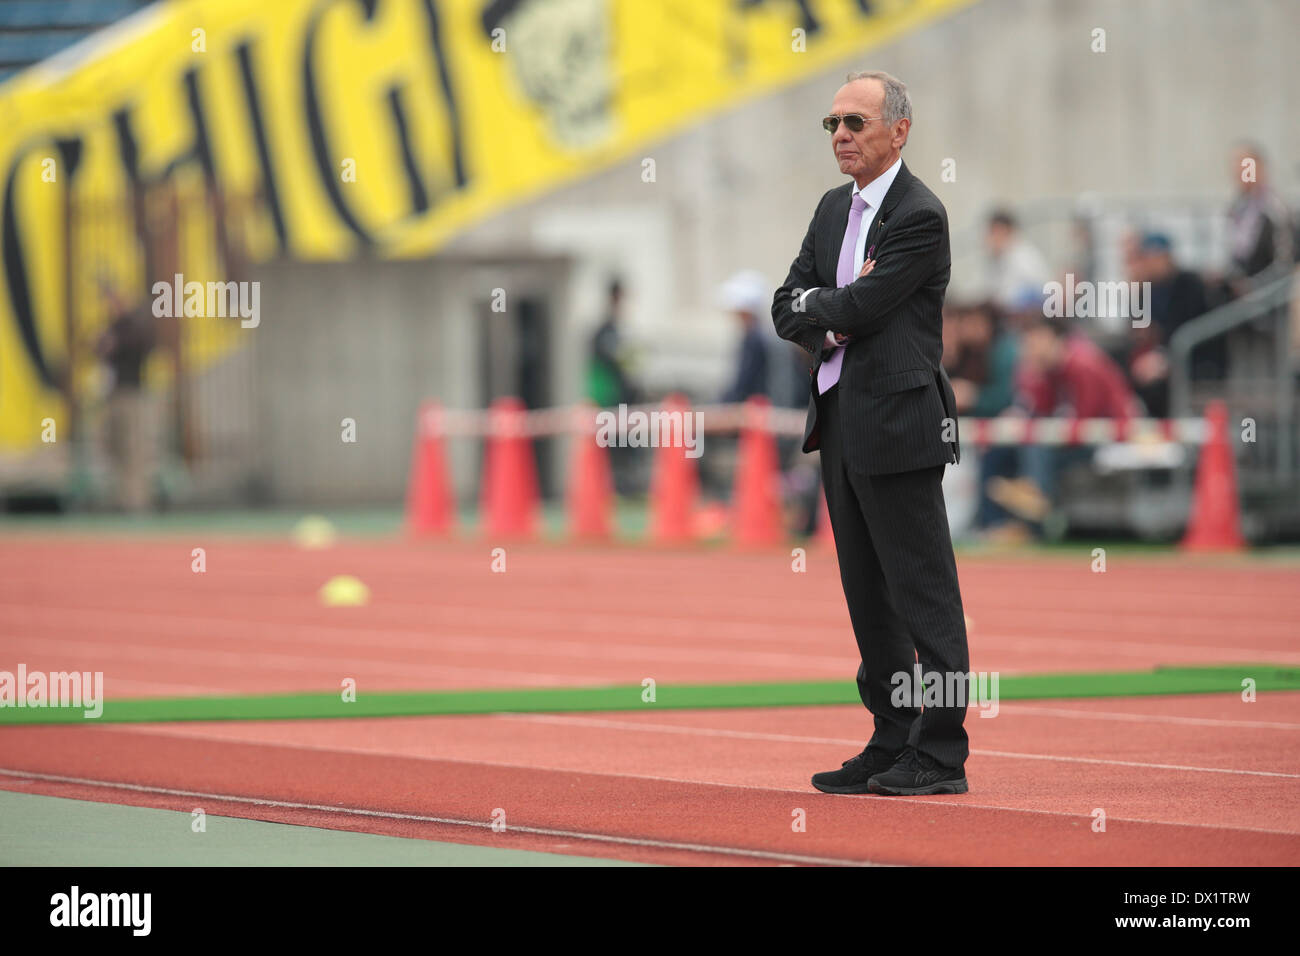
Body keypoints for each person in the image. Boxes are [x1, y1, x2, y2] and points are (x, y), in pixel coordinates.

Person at [771, 70, 969, 797]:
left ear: (899, 132)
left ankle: (941, 753)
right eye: (833, 125)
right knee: (868, 596)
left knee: (925, 599)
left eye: (855, 122)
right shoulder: (832, 210)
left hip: (901, 425)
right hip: (841, 424)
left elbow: (866, 303)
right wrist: (829, 308)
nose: (842, 136)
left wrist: (824, 306)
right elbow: (784, 305)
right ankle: (892, 738)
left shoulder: (920, 214)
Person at [96, 284, 158, 513]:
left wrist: (115, 343)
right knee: (114, 447)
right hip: (113, 394)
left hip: (132, 393)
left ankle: (136, 502)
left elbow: (144, 346)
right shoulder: (111, 327)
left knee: (135, 448)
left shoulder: (136, 325)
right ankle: (120, 498)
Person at [983, 209, 1050, 314]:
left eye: (996, 232)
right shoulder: (997, 259)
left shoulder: (1023, 255)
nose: (992, 238)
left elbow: (1039, 289)